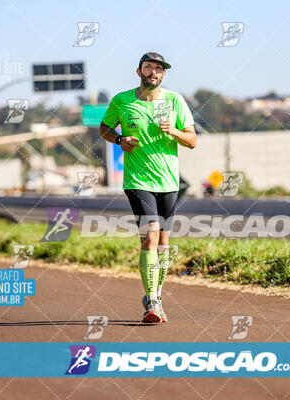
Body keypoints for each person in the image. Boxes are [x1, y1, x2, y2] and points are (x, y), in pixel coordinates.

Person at [99, 52, 197, 323]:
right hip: (137, 181)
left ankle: (157, 294)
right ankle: (152, 302)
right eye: (148, 67)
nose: (153, 72)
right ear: (139, 71)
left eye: (158, 69)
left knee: (164, 241)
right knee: (150, 237)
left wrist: (173, 132)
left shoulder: (175, 101)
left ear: (163, 74)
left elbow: (192, 140)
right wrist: (119, 140)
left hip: (168, 181)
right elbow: (104, 129)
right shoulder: (122, 100)